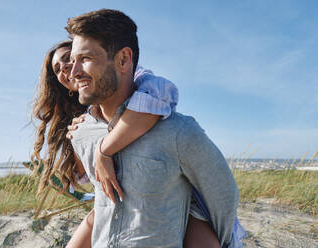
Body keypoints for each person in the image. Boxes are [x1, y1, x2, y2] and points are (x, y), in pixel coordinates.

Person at [66, 8, 243, 248]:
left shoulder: (178, 132)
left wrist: (199, 236)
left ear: (124, 60)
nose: (74, 72)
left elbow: (224, 197)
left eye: (85, 59)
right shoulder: (82, 134)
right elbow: (101, 203)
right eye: (72, 60)